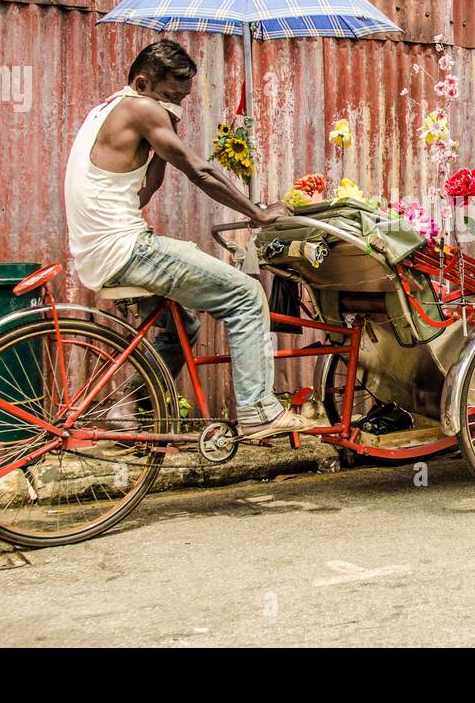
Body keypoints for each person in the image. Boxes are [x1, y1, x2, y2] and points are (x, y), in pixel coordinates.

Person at [63, 39, 315, 440]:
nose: (175, 104)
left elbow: (145, 190)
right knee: (247, 295)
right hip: (126, 248)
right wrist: (259, 213)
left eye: (182, 98)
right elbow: (199, 171)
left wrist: (165, 137)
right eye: (169, 96)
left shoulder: (107, 110)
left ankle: (132, 413)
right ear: (143, 83)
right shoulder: (139, 108)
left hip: (100, 253)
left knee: (182, 325)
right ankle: (257, 411)